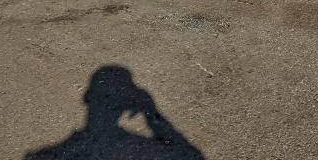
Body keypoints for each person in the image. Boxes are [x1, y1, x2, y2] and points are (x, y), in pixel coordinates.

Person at [25, 65, 204, 160]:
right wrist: (152, 114)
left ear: (87, 97)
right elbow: (192, 156)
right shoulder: (143, 149)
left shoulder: (52, 154)